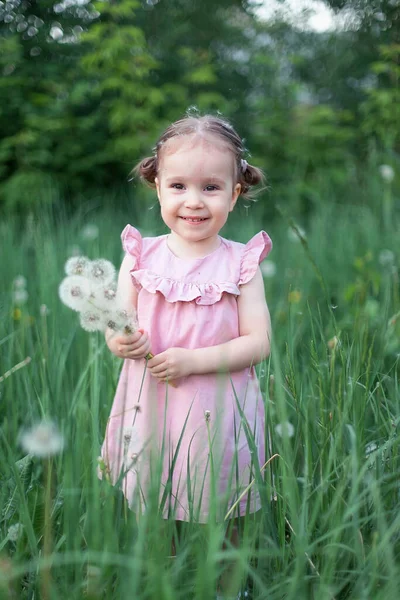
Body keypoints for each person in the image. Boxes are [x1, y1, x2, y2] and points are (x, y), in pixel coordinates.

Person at [101, 114, 272, 598]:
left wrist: (194, 361)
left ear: (235, 193)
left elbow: (258, 342)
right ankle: (166, 582)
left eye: (211, 187)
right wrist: (122, 341)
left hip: (217, 411)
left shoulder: (241, 263)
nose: (193, 201)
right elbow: (118, 326)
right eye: (178, 185)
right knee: (156, 501)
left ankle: (228, 585)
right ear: (157, 188)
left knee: (226, 503)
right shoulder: (139, 257)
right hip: (151, 407)